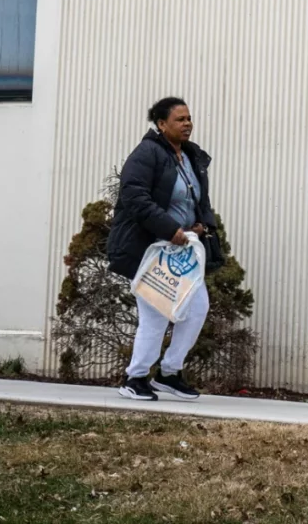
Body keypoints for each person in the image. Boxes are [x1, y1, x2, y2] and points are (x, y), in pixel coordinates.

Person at [107, 97, 217, 402]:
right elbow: (135, 197)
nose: (187, 124)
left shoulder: (191, 156)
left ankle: (169, 372)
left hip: (182, 250)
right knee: (156, 314)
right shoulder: (147, 153)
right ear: (161, 124)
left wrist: (201, 225)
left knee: (197, 309)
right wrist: (170, 229)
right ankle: (135, 378)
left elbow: (198, 201)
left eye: (189, 118)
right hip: (152, 248)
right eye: (180, 119)